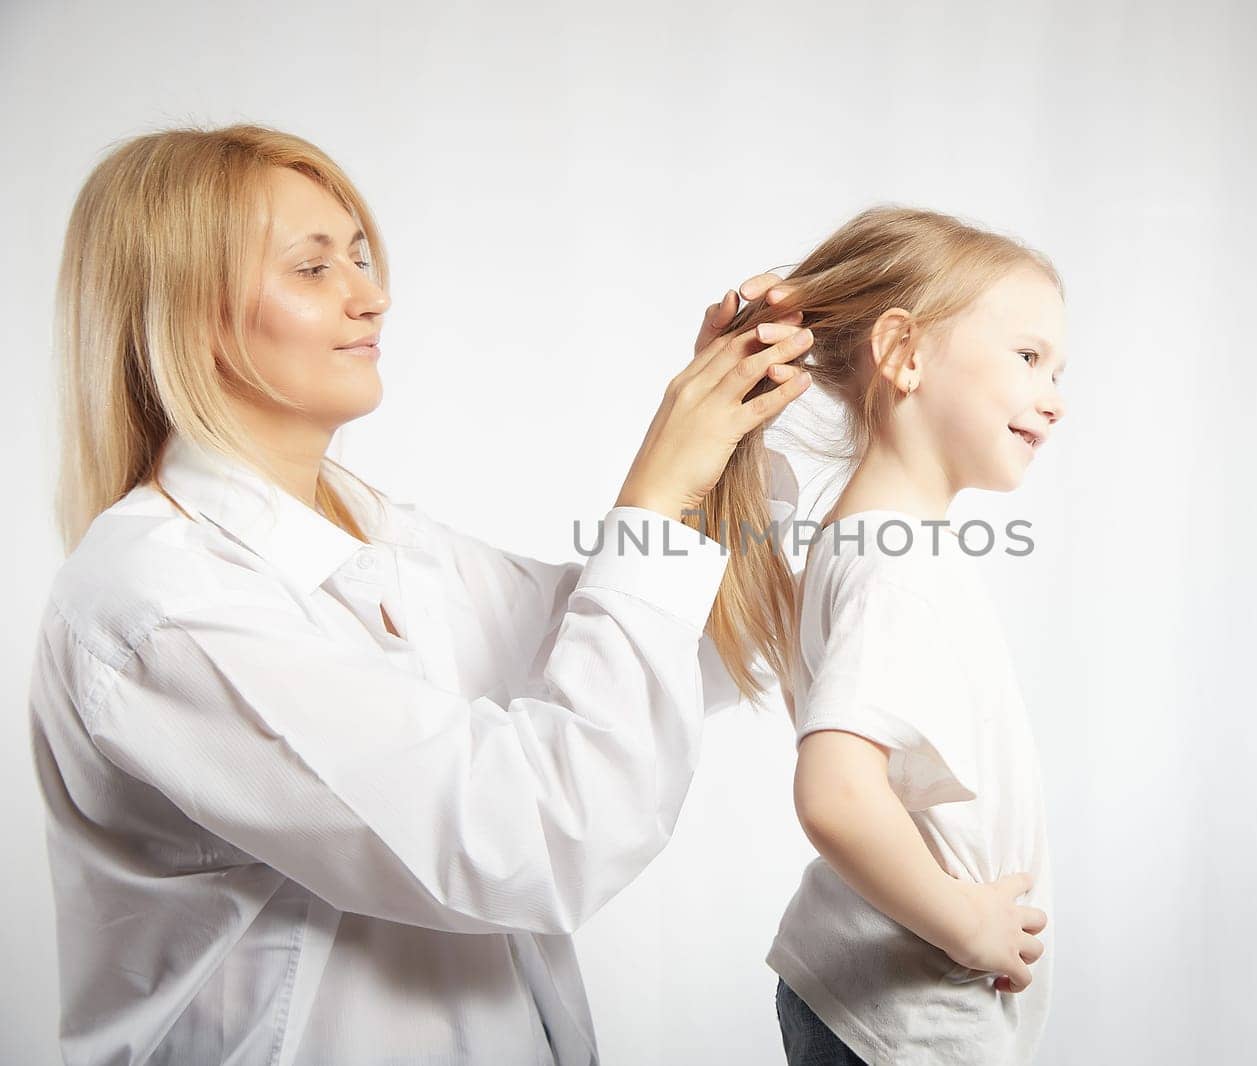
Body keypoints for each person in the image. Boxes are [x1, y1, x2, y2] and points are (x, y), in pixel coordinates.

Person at [27, 122, 814, 1065]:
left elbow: (677, 652)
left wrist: (726, 454)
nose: (372, 296)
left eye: (360, 256)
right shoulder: (161, 600)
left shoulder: (374, 532)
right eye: (313, 269)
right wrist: (651, 499)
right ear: (184, 308)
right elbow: (527, 837)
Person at [697, 207, 1065, 1064]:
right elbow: (835, 794)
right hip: (902, 1015)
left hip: (881, 1008)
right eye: (1028, 357)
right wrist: (965, 925)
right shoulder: (895, 566)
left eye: (1057, 368)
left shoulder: (876, 541)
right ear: (903, 353)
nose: (1055, 395)